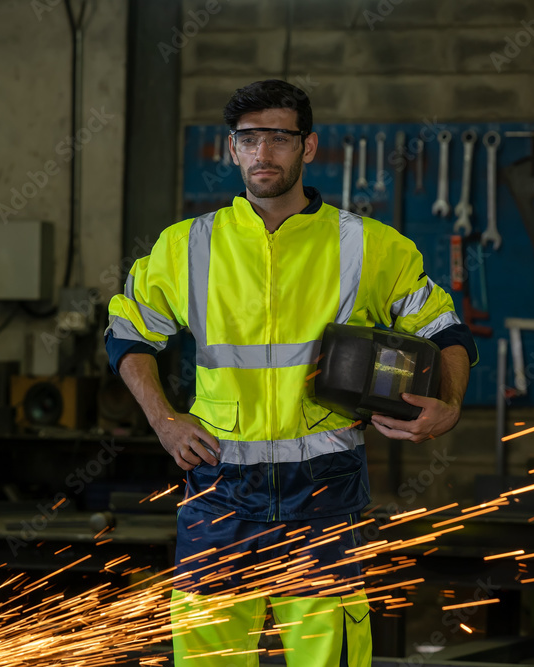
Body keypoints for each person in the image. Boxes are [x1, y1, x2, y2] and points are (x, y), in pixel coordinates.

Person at [105, 79, 478, 666]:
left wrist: (449, 403)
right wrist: (164, 421)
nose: (263, 153)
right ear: (232, 150)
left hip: (325, 491)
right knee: (209, 658)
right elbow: (127, 334)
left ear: (308, 147)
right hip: (219, 488)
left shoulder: (367, 245)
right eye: (248, 139)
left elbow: (447, 331)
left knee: (325, 658)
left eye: (279, 137)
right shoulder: (187, 246)